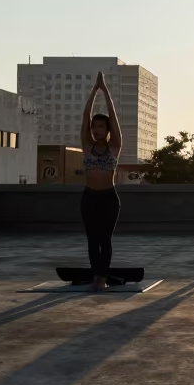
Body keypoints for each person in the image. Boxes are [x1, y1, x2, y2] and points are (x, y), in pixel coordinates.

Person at [80, 71, 123, 292]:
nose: (97, 130)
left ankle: (102, 278)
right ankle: (96, 273)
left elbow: (113, 118)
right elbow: (85, 115)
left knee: (104, 239)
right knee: (91, 239)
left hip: (108, 198)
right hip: (89, 197)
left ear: (107, 131)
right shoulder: (86, 145)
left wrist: (105, 91)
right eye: (94, 127)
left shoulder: (114, 147)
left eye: (101, 127)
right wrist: (93, 91)